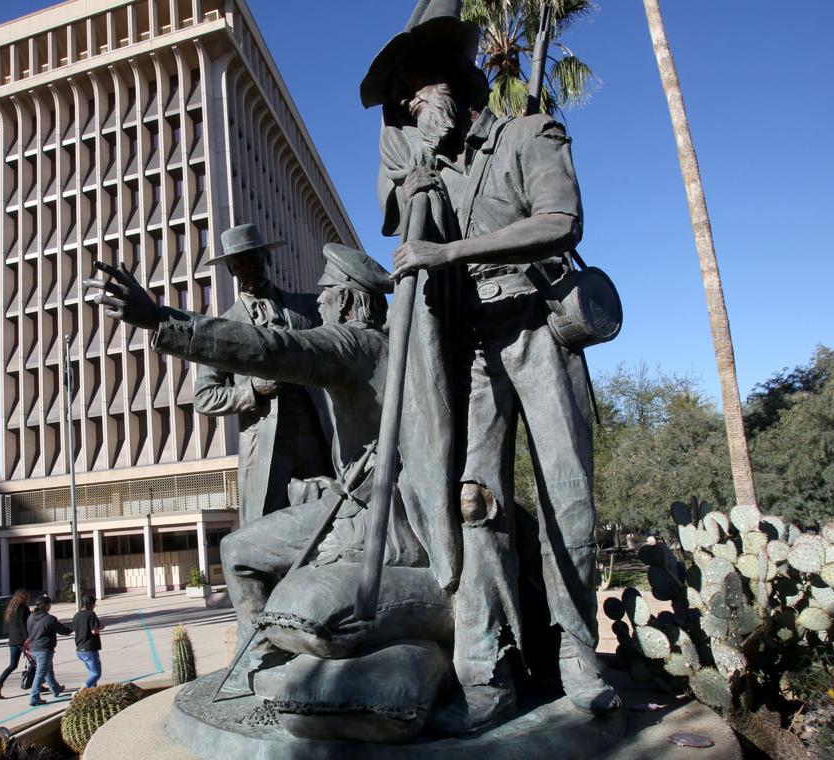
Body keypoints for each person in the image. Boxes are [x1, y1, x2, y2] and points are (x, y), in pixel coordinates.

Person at [369, 0, 620, 732]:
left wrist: (446, 251)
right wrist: (413, 177)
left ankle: (578, 651)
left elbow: (560, 221)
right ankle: (488, 677)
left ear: (451, 83)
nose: (410, 111)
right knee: (474, 504)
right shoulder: (431, 174)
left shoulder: (527, 133)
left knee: (567, 495)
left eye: (416, 93)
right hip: (476, 347)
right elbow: (396, 214)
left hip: (540, 330)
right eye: (403, 105)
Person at [85, 245, 445, 678]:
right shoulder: (393, 342)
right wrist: (250, 392)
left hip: (368, 502)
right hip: (312, 469)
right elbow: (211, 391)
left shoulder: (348, 339)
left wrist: (160, 318)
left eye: (327, 294)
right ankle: (267, 647)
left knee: (239, 550)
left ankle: (260, 663)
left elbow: (274, 347)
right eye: (238, 264)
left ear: (346, 301)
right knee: (268, 531)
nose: (322, 302)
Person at [194, 223, 333, 523]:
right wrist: (252, 390)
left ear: (267, 259)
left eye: (254, 258)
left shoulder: (308, 307)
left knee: (329, 519)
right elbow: (203, 397)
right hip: (264, 448)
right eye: (240, 263)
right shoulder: (223, 328)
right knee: (262, 528)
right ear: (231, 270)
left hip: (316, 437)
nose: (249, 267)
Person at [26, 594, 71, 706]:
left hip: (33, 648)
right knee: (41, 672)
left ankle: (55, 689)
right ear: (45, 606)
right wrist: (72, 628)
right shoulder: (49, 619)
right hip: (44, 649)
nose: (50, 606)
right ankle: (34, 697)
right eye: (50, 604)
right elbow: (63, 630)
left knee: (48, 669)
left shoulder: (31, 617)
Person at [0, 589, 31, 699]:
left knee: (12, 665)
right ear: (23, 597)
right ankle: (38, 684)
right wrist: (28, 639)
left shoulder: (11, 609)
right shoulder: (24, 609)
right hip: (22, 641)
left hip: (12, 640)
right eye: (27, 597)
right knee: (37, 662)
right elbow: (24, 626)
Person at [72, 594, 104, 689]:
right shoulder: (91, 614)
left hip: (80, 649)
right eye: (94, 604)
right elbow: (94, 631)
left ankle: (92, 691)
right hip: (89, 648)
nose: (94, 606)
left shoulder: (76, 615)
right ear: (91, 604)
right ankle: (82, 691)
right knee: (96, 674)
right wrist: (101, 627)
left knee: (92, 673)